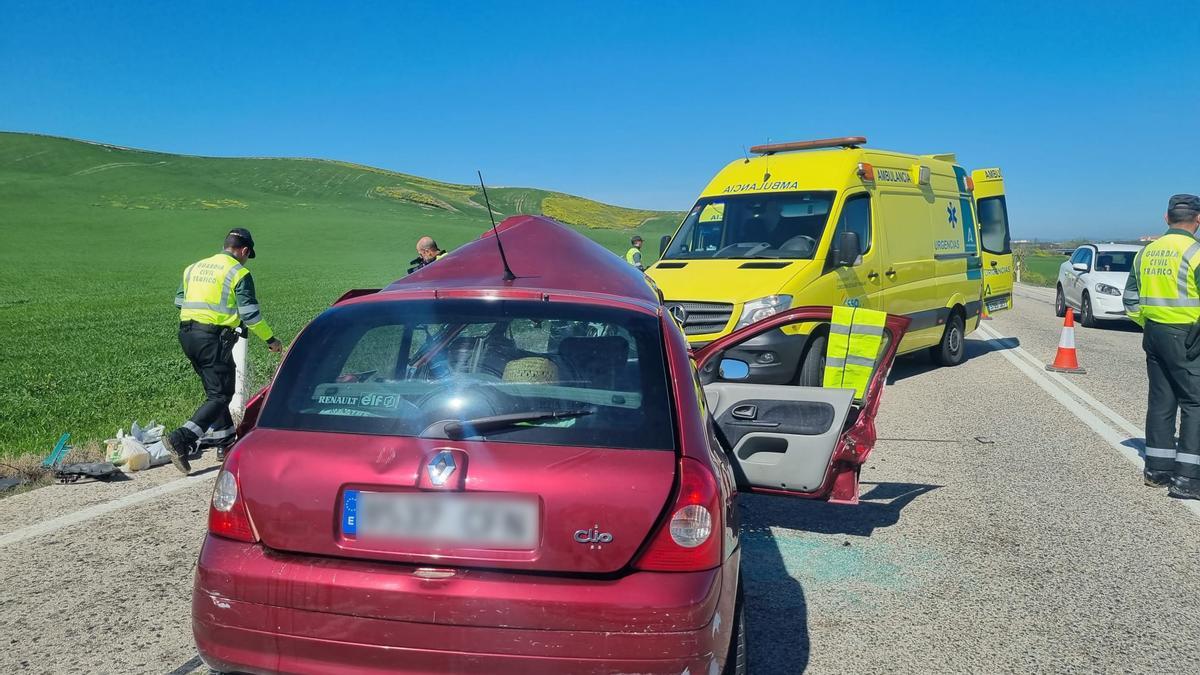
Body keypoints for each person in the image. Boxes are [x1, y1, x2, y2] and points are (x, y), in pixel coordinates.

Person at [162, 228, 282, 473]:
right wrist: (271, 340)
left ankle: (225, 442)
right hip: (212, 339)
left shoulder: (193, 267)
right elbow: (250, 315)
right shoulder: (239, 272)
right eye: (248, 255)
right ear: (245, 251)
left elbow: (179, 301)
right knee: (220, 395)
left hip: (187, 335)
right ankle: (181, 438)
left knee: (215, 389)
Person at [1123, 194, 1200, 500]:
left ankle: (1157, 470)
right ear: (1198, 220)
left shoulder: (1146, 252)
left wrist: (1149, 322)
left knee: (1161, 401)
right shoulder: (1195, 253)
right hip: (1188, 335)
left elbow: (1129, 299)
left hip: (1153, 332)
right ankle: (1187, 479)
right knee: (1195, 403)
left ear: (1166, 219)